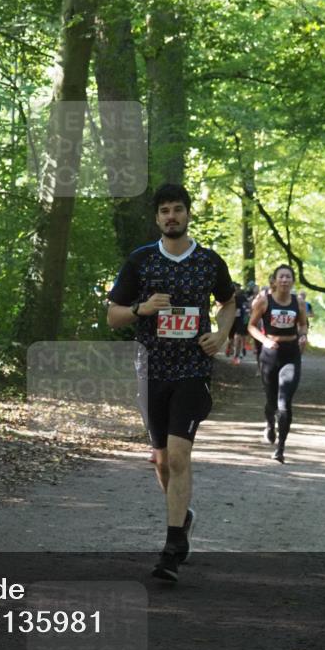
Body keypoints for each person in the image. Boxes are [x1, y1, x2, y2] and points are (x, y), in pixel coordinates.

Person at [107, 183, 236, 582]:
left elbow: (228, 302)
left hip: (192, 371)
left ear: (188, 213)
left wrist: (221, 335)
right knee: (162, 460)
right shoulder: (141, 261)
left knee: (179, 457)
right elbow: (113, 315)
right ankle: (183, 516)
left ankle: (171, 548)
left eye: (177, 209)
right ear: (157, 218)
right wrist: (141, 308)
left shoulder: (209, 262)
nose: (171, 217)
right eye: (164, 211)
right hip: (151, 370)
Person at [247, 264, 308, 464]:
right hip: (270, 354)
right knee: (271, 401)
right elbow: (251, 326)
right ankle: (269, 425)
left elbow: (303, 323)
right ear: (274, 280)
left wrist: (303, 336)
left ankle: (281, 448)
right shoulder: (265, 301)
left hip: (291, 354)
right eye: (281, 277)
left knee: (284, 403)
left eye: (288, 277)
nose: (284, 280)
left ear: (292, 281)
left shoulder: (297, 303)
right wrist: (265, 340)